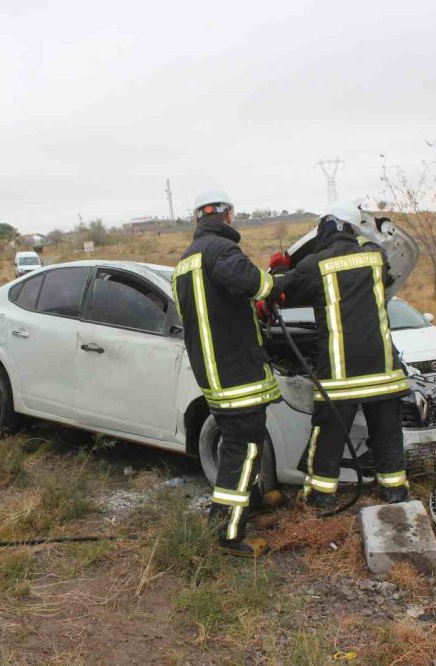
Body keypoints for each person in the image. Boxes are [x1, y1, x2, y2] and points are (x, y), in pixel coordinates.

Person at [269, 200, 411, 509]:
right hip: (383, 372)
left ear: (325, 229)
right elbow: (384, 276)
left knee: (329, 438)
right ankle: (396, 491)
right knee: (388, 434)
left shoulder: (313, 265)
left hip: (339, 377)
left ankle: (322, 495)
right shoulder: (375, 257)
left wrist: (281, 268)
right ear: (351, 228)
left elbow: (281, 291)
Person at [172, 189, 280, 558]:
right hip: (237, 372)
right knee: (243, 446)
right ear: (229, 215)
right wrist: (275, 282)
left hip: (213, 373)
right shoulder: (222, 251)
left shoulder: (185, 262)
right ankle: (228, 533)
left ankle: (249, 502)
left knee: (242, 441)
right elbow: (254, 284)